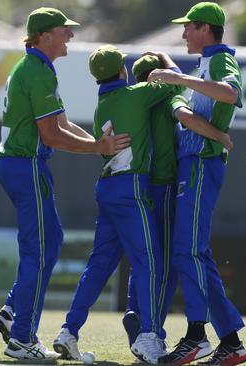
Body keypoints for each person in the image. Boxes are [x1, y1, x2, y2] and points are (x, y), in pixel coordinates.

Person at [0, 8, 130, 362]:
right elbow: (51, 134)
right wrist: (98, 148)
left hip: (19, 165)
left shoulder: (36, 68)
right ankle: (22, 339)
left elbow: (62, 123)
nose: (70, 36)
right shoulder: (37, 72)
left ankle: (11, 311)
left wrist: (97, 145)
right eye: (64, 31)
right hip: (26, 166)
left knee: (50, 242)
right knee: (40, 249)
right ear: (44, 35)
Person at [52, 45, 184, 364]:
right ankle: (150, 336)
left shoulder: (103, 105)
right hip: (131, 188)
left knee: (99, 266)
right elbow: (178, 82)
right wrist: (165, 57)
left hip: (108, 187)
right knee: (150, 261)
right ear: (123, 72)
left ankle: (69, 331)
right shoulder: (134, 95)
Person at [146, 3, 246, 365]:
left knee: (187, 251)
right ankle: (231, 342)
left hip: (202, 164)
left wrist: (178, 81)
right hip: (196, 164)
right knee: (196, 253)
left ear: (206, 29)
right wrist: (175, 74)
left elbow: (231, 94)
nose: (183, 33)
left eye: (189, 27)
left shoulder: (221, 60)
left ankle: (196, 336)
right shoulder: (207, 62)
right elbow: (196, 90)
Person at [122, 54, 234, 350]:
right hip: (169, 186)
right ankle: (153, 328)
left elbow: (171, 72)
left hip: (141, 186)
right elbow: (185, 116)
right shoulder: (170, 98)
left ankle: (136, 310)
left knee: (144, 257)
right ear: (158, 79)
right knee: (170, 263)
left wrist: (165, 64)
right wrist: (219, 135)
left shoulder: (131, 102)